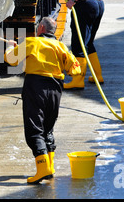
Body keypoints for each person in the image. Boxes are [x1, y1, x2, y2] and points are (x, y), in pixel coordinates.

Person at [4, 17, 81, 184]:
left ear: (40, 28)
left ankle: (42, 169)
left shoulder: (32, 42)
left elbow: (11, 60)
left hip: (35, 87)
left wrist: (11, 47)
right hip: (55, 89)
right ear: (53, 32)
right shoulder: (61, 47)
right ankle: (50, 166)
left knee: (34, 129)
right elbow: (76, 70)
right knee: (48, 128)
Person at [43, 0, 105, 89]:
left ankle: (77, 80)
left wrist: (73, 0)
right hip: (97, 5)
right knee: (88, 43)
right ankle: (98, 76)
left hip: (85, 6)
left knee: (78, 45)